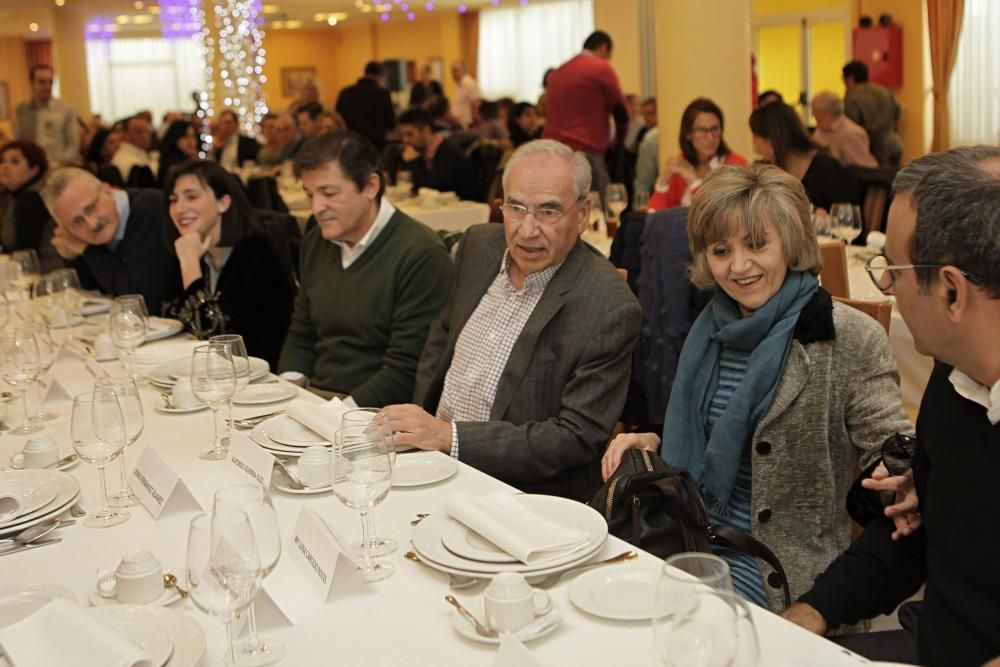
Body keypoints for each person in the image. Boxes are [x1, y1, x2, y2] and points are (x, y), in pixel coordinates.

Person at [602, 164, 911, 610]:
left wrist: (903, 467)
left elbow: (889, 445)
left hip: (778, 569)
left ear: (791, 242)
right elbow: (711, 443)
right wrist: (653, 440)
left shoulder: (844, 338)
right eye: (721, 250)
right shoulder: (709, 331)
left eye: (757, 245)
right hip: (688, 538)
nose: (739, 266)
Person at [781, 146, 1000, 667]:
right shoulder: (955, 381)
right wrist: (808, 614)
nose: (887, 286)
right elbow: (916, 536)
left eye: (893, 271)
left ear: (951, 291)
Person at [383, 139, 642, 502]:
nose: (527, 229)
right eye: (516, 208)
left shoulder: (609, 306)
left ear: (583, 214)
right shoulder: (477, 246)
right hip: (429, 468)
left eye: (549, 212)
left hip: (520, 497)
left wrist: (449, 437)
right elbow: (441, 340)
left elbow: (576, 436)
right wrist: (422, 432)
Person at [277, 131, 453, 407]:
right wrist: (286, 393)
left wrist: (335, 415)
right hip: (317, 402)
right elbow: (302, 331)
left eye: (329, 193)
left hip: (375, 415)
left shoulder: (421, 253)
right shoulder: (316, 242)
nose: (316, 208)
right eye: (309, 194)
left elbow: (406, 369)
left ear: (371, 186)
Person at [161, 160, 294, 367]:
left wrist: (189, 267)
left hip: (257, 378)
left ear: (223, 202)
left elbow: (213, 334)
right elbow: (169, 316)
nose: (179, 208)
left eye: (192, 197)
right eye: (173, 200)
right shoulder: (190, 246)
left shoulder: (255, 253)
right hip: (208, 374)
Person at [40, 167, 181, 313]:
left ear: (107, 190)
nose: (92, 223)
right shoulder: (89, 234)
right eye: (77, 221)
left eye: (91, 208)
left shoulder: (150, 208)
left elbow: (143, 303)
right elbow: (92, 293)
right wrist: (74, 258)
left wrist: (87, 250)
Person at [749, 101, 860, 212]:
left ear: (771, 140)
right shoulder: (765, 171)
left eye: (755, 136)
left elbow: (846, 217)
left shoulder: (827, 169)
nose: (754, 143)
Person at [647, 98, 748, 211]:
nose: (710, 137)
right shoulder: (681, 164)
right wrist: (664, 179)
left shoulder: (735, 164)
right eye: (702, 130)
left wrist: (693, 180)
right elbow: (653, 214)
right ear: (688, 134)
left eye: (715, 129)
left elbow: (715, 216)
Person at [542, 31, 628, 158]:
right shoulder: (601, 68)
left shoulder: (557, 72)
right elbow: (620, 110)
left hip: (552, 149)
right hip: (585, 148)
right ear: (604, 48)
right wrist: (619, 140)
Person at [0, 141, 62, 271]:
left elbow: (25, 254)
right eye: (2, 161)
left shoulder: (32, 199)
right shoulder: (12, 197)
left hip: (47, 276)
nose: (5, 167)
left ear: (34, 169)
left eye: (14, 162)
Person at [398, 108, 477, 201]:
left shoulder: (449, 153)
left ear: (426, 131)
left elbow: (434, 188)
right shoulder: (421, 154)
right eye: (403, 135)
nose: (405, 140)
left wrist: (413, 162)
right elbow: (416, 189)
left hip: (463, 211)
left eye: (409, 134)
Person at [13, 65, 79, 167]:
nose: (47, 86)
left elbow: (73, 144)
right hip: (30, 169)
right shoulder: (22, 110)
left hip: (58, 167)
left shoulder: (66, 109)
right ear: (32, 83)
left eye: (50, 82)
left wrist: (60, 164)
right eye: (42, 82)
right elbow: (19, 142)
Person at [842, 60, 902, 168]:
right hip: (894, 144)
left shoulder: (851, 98)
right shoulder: (884, 91)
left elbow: (851, 127)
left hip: (872, 150)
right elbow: (898, 112)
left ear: (850, 79)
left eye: (843, 79)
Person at [336, 61, 396, 153]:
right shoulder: (382, 93)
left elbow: (338, 119)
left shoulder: (345, 92)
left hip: (350, 144)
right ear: (379, 76)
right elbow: (391, 123)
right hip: (375, 146)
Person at [811, 91, 878, 168]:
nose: (812, 114)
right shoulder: (821, 129)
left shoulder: (851, 133)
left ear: (824, 112)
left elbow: (865, 169)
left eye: (814, 110)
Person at [111, 114, 156, 184]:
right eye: (139, 132)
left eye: (147, 131)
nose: (146, 136)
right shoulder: (126, 159)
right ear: (125, 134)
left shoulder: (140, 153)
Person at [157, 120, 200, 187]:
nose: (190, 141)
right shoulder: (172, 165)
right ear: (175, 138)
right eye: (185, 136)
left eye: (193, 136)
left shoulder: (190, 159)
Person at [449, 62, 481, 129]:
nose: (453, 74)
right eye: (452, 71)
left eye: (456, 70)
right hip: (459, 124)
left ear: (464, 71)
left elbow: (476, 104)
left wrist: (475, 124)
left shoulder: (470, 84)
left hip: (468, 124)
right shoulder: (459, 85)